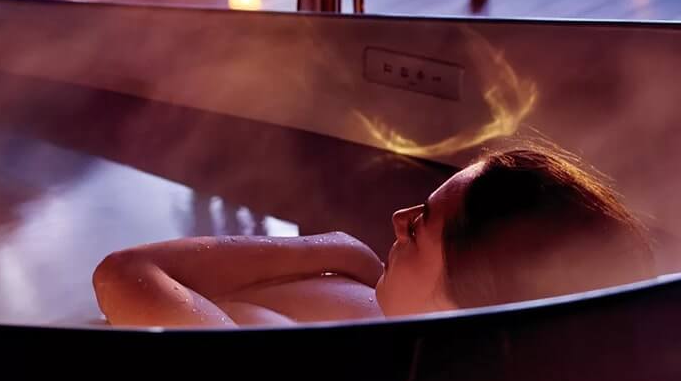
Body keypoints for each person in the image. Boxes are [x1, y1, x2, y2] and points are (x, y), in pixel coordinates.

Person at [93, 146, 655, 328]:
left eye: (422, 224)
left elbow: (121, 274)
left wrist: (335, 246)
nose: (397, 219)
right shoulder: (375, 307)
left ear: (472, 280)